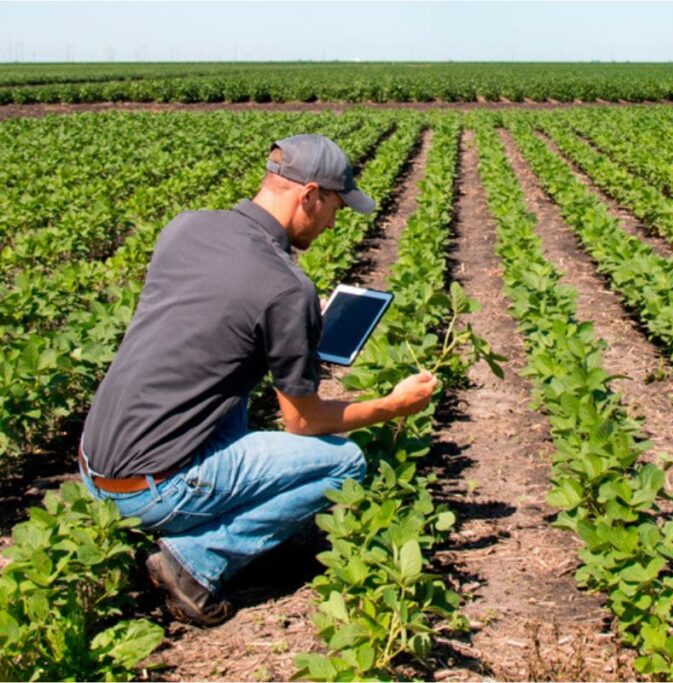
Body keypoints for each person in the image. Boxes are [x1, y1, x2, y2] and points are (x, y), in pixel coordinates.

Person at [78, 134, 437, 627]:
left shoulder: (187, 227)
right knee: (343, 463)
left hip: (96, 463)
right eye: (335, 205)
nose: (335, 221)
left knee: (231, 391)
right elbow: (302, 423)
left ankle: (199, 512)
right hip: (150, 488)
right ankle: (195, 563)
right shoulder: (286, 287)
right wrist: (392, 406)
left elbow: (211, 325)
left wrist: (298, 329)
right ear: (309, 194)